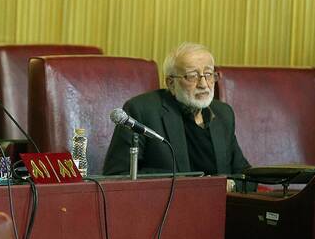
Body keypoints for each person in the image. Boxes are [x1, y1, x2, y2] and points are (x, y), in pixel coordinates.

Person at [103, 42, 250, 189]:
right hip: (167, 202)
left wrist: (229, 185)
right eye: (192, 76)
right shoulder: (141, 111)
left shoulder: (223, 114)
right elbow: (116, 176)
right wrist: (191, 186)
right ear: (171, 83)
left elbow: (246, 177)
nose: (204, 84)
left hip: (219, 203)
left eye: (209, 74)